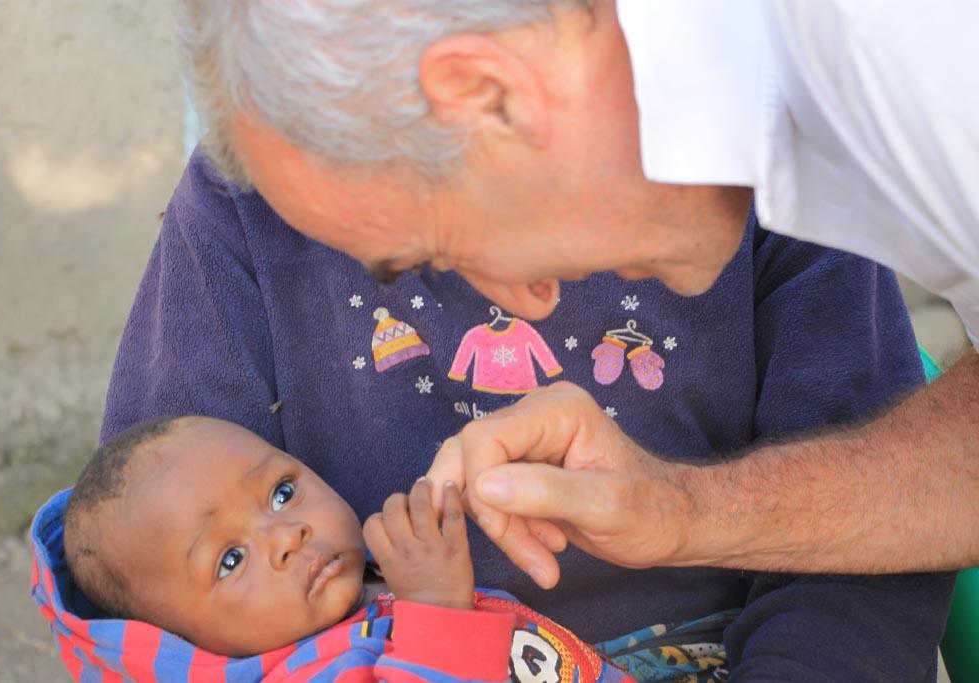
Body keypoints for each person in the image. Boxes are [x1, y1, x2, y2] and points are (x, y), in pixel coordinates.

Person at [170, 0, 979, 577]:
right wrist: (683, 513)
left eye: (441, 248)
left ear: (486, 90)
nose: (523, 307)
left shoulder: (911, 58)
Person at [99, 140, 953, 679]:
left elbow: (874, 529)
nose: (529, 296)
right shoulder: (253, 182)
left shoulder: (764, 141)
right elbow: (161, 587)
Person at [32, 416, 633, 682]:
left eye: (281, 492)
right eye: (230, 560)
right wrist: (437, 611)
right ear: (187, 643)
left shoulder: (368, 595)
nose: (286, 536)